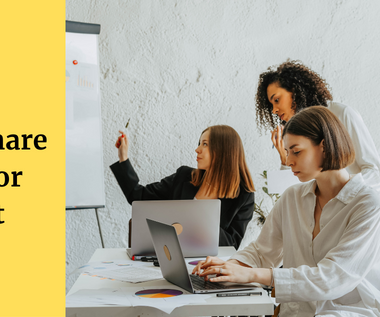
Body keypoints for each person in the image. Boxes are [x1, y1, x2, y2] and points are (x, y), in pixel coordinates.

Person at [193, 106, 380, 316]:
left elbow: (332, 278)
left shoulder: (368, 204)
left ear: (325, 146)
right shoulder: (292, 197)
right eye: (286, 151)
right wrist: (227, 266)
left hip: (349, 311)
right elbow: (262, 251)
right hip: (297, 311)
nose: (289, 160)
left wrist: (252, 275)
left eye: (296, 151)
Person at [110, 125, 255, 250]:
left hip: (208, 265)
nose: (197, 149)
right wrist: (123, 157)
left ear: (224, 151)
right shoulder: (184, 177)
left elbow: (232, 245)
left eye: (205, 144)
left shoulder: (244, 196)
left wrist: (200, 217)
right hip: (171, 256)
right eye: (199, 143)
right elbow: (137, 196)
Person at [255, 60, 380, 191]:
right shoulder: (295, 132)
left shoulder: (342, 114)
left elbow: (375, 172)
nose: (274, 110)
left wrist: (343, 192)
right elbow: (291, 192)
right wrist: (284, 158)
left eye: (276, 100)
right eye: (271, 105)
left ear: (295, 90)